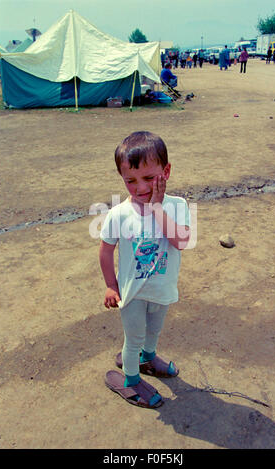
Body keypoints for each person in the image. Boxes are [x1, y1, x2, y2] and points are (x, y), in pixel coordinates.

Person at [100, 131, 191, 408]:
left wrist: (156, 208)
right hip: (132, 293)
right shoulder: (119, 213)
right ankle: (130, 380)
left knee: (154, 332)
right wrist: (111, 285)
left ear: (166, 171)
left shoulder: (178, 206)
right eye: (130, 181)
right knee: (134, 338)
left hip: (162, 289)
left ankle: (148, 358)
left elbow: (182, 241)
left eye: (149, 178)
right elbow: (105, 250)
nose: (140, 188)